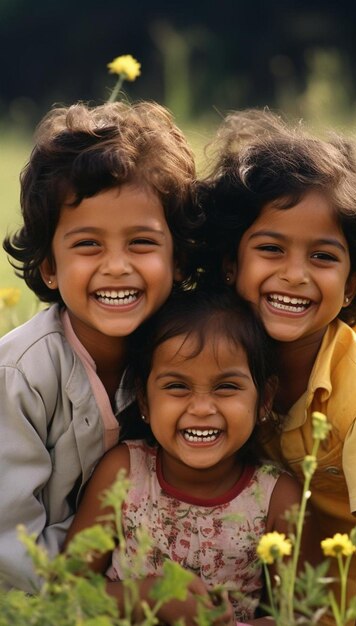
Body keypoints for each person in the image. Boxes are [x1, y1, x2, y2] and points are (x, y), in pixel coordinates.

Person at [198, 108, 356, 626]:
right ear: (231, 265)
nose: (294, 275)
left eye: (322, 257)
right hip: (308, 608)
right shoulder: (228, 363)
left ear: (353, 282)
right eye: (271, 249)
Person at [0, 100, 198, 592]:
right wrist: (115, 599)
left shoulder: (185, 354)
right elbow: (8, 546)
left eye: (142, 243)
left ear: (178, 259)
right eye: (88, 244)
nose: (116, 266)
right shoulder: (21, 375)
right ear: (49, 266)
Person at [65, 287, 318, 626]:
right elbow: (65, 590)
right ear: (143, 399)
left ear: (265, 400)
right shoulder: (124, 473)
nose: (201, 408)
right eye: (177, 387)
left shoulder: (276, 498)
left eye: (226, 387)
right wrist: (148, 597)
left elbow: (302, 615)